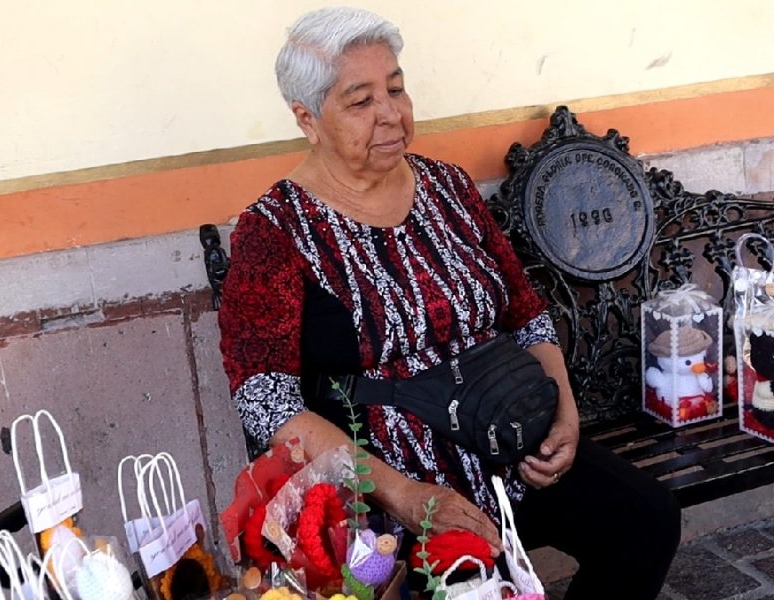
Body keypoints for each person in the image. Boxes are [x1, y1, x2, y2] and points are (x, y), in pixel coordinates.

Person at [218, 6, 680, 599]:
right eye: (360, 101)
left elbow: (525, 312)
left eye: (396, 89)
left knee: (646, 518)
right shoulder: (275, 232)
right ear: (307, 119)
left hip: (507, 442)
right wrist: (405, 496)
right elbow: (266, 401)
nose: (390, 114)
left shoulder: (448, 187)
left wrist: (564, 413)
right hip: (381, 483)